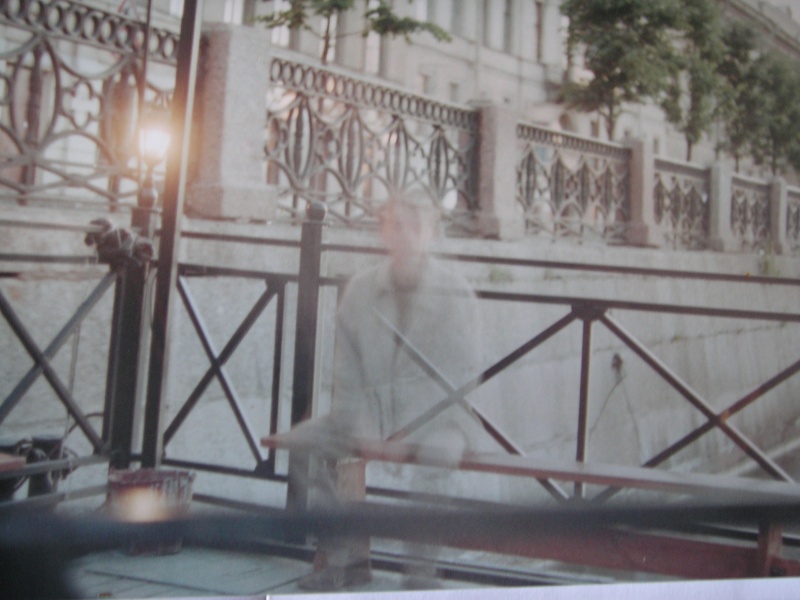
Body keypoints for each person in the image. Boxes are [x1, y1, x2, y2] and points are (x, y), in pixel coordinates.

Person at [295, 189, 485, 591]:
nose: (403, 234)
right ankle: (344, 560)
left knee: (438, 457)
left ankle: (419, 574)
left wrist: (407, 431)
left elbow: (459, 379)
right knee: (306, 441)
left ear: (430, 233)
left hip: (438, 420)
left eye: (414, 226)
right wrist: (362, 423)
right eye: (394, 225)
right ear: (383, 231)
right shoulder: (361, 289)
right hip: (373, 414)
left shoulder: (454, 294)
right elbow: (346, 371)